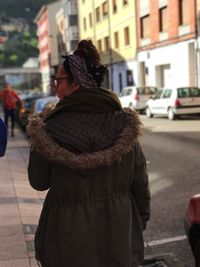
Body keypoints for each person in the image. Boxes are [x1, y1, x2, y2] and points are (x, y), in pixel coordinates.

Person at [27, 40, 150, 267]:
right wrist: (137, 221)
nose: (55, 87)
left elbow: (38, 181)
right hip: (119, 229)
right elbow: (140, 182)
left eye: (58, 81)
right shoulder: (124, 124)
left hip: (66, 234)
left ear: (76, 84)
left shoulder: (49, 127)